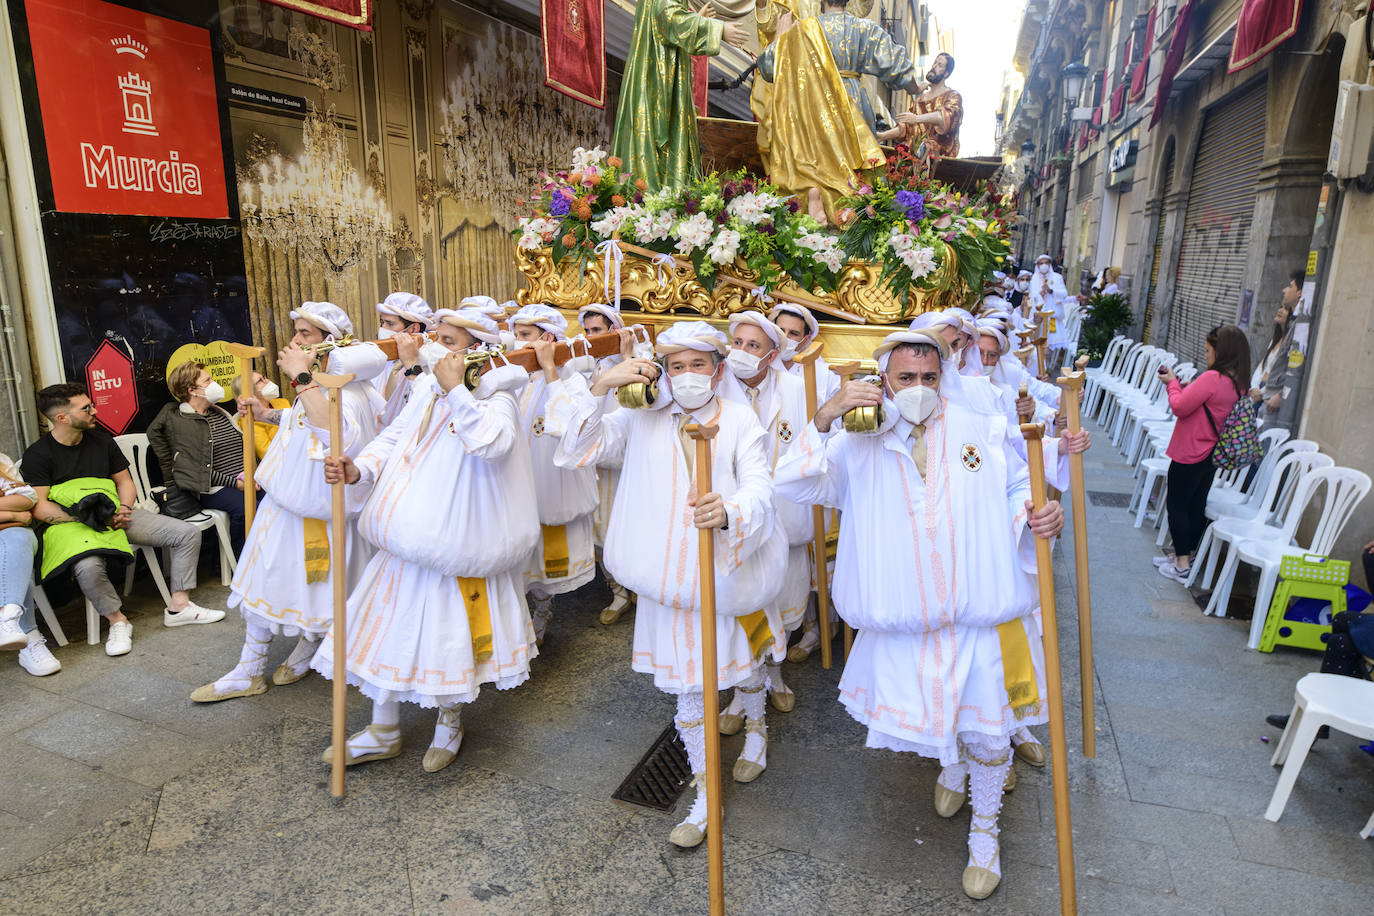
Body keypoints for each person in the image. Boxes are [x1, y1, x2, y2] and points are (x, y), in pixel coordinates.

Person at [775, 328, 1065, 900]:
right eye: (905, 378)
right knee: (941, 716)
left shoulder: (976, 426)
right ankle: (949, 767)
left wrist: (1033, 514)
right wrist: (828, 414)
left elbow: (1014, 487)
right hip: (907, 611)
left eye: (929, 378)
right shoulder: (858, 439)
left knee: (987, 730)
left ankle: (985, 833)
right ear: (884, 380)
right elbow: (794, 481)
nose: (918, 388)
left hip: (980, 608)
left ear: (944, 377)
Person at [548, 321, 786, 849]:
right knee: (689, 694)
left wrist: (729, 510)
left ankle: (756, 730)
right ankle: (706, 795)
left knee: (745, 668)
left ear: (718, 370)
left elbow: (759, 487)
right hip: (667, 582)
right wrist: (601, 385)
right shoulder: (640, 416)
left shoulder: (741, 419)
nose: (686, 376)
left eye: (697, 365)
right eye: (675, 366)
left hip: (725, 573)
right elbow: (581, 446)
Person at [312, 307, 539, 773]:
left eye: (449, 340)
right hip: (402, 536)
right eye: (437, 336)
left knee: (446, 638)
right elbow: (395, 435)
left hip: (454, 543)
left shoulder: (500, 398)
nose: (437, 346)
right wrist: (361, 467)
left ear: (475, 351)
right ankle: (383, 729)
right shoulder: (426, 388)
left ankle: (449, 721)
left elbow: (491, 444)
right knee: (384, 633)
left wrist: (457, 389)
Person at [192, 301, 385, 702]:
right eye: (296, 332)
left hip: (320, 514)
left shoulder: (341, 389)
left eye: (306, 335)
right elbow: (302, 422)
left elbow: (332, 432)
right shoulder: (317, 383)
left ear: (331, 344)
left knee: (317, 593)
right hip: (284, 506)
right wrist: (266, 415)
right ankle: (249, 669)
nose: (295, 341)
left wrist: (299, 376)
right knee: (264, 581)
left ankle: (308, 646)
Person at [23, 384, 224, 657]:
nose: (95, 410)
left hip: (118, 516)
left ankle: (179, 606)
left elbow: (125, 483)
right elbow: (39, 506)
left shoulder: (102, 441)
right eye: (86, 408)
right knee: (87, 566)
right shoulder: (38, 454)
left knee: (185, 533)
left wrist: (125, 507)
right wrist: (85, 518)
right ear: (62, 418)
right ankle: (118, 621)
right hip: (74, 526)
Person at [715, 311, 812, 717]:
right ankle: (744, 692)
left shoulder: (797, 388)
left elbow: (810, 447)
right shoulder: (713, 388)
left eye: (752, 346)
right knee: (742, 608)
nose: (741, 352)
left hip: (785, 522)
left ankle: (775, 675)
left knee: (786, 607)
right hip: (733, 525)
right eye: (736, 343)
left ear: (772, 355)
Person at [755, 0, 920, 222]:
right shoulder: (864, 29)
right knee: (856, 174)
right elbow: (899, 67)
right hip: (853, 108)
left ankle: (817, 214)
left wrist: (780, 38)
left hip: (815, 107)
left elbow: (768, 67)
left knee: (819, 167)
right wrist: (917, 88)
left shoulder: (803, 29)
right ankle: (853, 219)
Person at [509, 304, 598, 645]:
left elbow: (569, 427)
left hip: (550, 476)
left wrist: (549, 370)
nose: (517, 343)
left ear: (548, 339)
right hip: (519, 476)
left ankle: (543, 609)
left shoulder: (572, 380)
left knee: (544, 564)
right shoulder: (515, 377)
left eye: (525, 336)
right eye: (515, 335)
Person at [610, 0, 750, 191]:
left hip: (664, 71)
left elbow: (671, 23)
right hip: (657, 78)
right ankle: (656, 195)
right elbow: (668, 16)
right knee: (658, 137)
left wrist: (696, 20)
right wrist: (717, 29)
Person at [1155, 325, 1251, 583]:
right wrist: (1188, 387)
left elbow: (1179, 407)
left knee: (1176, 505)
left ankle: (1182, 563)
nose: (1206, 354)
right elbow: (1208, 403)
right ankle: (1186, 555)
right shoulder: (1238, 382)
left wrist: (1172, 384)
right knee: (1196, 504)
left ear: (1222, 352)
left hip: (1190, 450)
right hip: (1211, 454)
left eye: (1209, 350)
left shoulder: (1212, 378)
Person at [576, 302, 640, 626]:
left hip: (630, 466)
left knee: (631, 526)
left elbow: (642, 403)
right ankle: (617, 591)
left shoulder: (638, 359)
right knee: (599, 529)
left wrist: (627, 358)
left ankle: (641, 588)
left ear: (614, 331)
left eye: (596, 330)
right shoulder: (585, 366)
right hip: (596, 463)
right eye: (586, 331)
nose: (589, 337)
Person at [147, 361, 248, 553]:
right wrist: (236, 483)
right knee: (246, 508)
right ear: (192, 389)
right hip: (213, 488)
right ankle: (243, 563)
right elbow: (199, 470)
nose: (214, 383)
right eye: (208, 380)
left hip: (246, 479)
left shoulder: (218, 413)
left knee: (274, 501)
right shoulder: (183, 423)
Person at [0, 455, 60, 676]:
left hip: (6, 534)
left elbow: (27, 498)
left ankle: (9, 618)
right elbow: (19, 510)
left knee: (19, 542)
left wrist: (14, 512)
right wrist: (11, 513)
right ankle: (29, 637)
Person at [884, 51, 963, 160]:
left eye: (940, 65)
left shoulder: (952, 96)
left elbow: (946, 117)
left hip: (937, 162)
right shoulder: (920, 100)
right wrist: (882, 136)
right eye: (935, 63)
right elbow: (905, 127)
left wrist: (916, 118)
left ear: (946, 73)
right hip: (911, 161)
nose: (934, 66)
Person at [373, 292, 435, 426]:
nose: (382, 329)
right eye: (382, 322)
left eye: (390, 324)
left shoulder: (430, 361)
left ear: (413, 328)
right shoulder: (381, 359)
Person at [1252, 268, 1302, 428]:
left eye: (1290, 286)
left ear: (1300, 292)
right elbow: (1263, 367)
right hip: (1264, 393)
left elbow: (1294, 369)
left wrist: (1281, 394)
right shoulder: (1278, 338)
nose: (1284, 290)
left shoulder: (1299, 327)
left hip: (1273, 396)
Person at [231, 371, 290, 459]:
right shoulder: (249, 419)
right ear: (249, 392)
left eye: (264, 377)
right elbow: (268, 453)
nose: (267, 381)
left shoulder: (282, 402)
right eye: (260, 381)